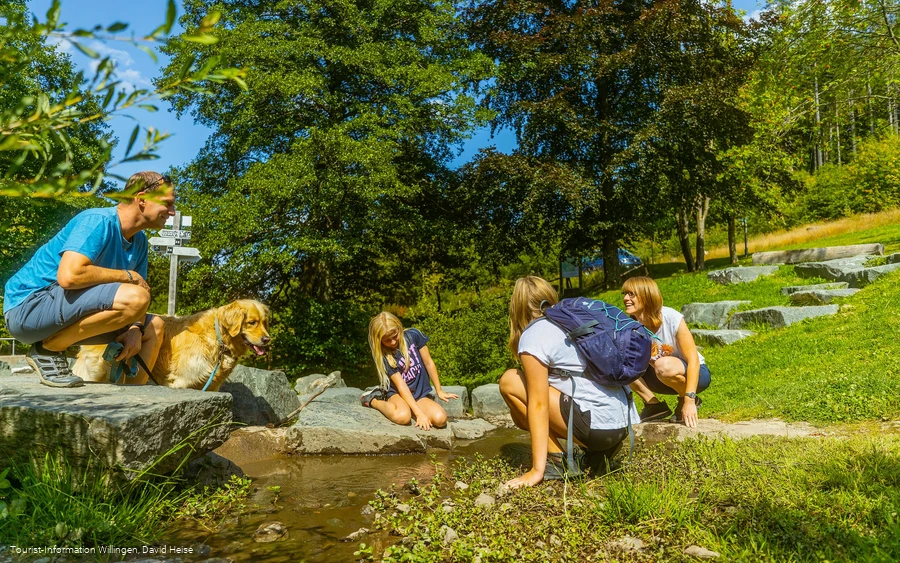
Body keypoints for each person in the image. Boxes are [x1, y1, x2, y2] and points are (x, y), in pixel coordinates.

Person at [2, 172, 175, 387]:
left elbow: (143, 292)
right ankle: (47, 350)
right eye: (167, 204)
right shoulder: (97, 221)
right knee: (135, 297)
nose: (172, 212)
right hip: (27, 308)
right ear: (141, 199)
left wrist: (134, 329)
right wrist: (127, 275)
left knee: (153, 327)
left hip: (65, 314)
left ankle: (132, 402)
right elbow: (69, 276)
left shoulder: (139, 242)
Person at [499, 276, 638, 489]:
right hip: (621, 425)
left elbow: (538, 405)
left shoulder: (534, 334)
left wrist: (537, 471)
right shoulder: (574, 321)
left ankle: (555, 461)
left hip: (598, 428)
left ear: (517, 308)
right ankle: (597, 454)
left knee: (510, 380)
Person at [621, 276, 711, 428]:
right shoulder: (632, 327)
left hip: (695, 374)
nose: (625, 298)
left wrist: (689, 400)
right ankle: (654, 405)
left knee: (663, 364)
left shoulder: (670, 317)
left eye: (631, 294)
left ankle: (687, 399)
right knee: (618, 363)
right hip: (661, 377)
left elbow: (693, 360)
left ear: (646, 295)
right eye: (624, 294)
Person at [361, 312, 458, 430]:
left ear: (399, 328)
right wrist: (419, 414)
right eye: (387, 340)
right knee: (403, 417)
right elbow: (401, 386)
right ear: (379, 341)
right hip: (398, 393)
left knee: (440, 419)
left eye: (394, 336)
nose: (392, 342)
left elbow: (429, 363)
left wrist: (439, 390)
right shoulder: (385, 357)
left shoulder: (414, 336)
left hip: (418, 394)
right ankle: (373, 400)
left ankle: (410, 407)